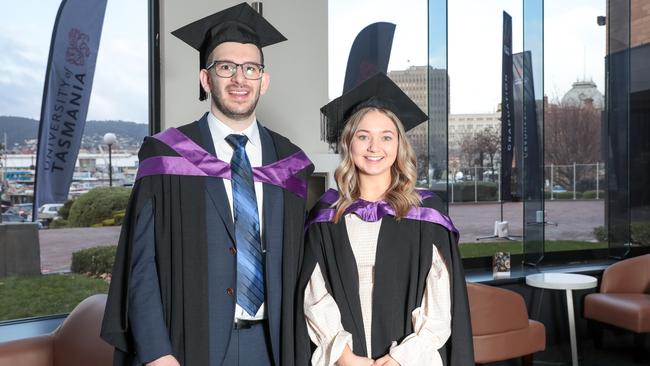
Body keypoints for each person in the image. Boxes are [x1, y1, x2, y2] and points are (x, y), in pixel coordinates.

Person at [101, 3, 313, 366]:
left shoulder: (290, 162)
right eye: (225, 67)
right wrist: (156, 353)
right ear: (205, 79)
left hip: (276, 346)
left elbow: (308, 263)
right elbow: (142, 264)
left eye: (251, 68)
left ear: (264, 80)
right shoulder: (167, 155)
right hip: (189, 346)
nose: (239, 78)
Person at [295, 72, 473, 366]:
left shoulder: (425, 214)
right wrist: (343, 355)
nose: (374, 147)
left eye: (385, 137)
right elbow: (314, 294)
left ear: (399, 145)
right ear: (348, 144)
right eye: (363, 136)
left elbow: (442, 298)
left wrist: (403, 357)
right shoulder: (327, 214)